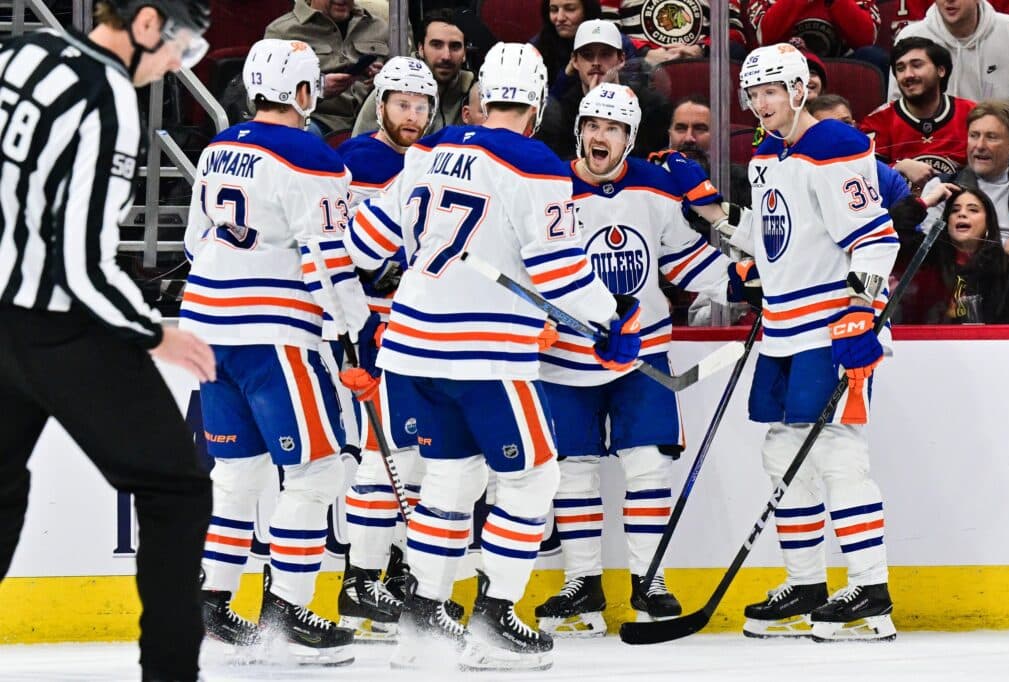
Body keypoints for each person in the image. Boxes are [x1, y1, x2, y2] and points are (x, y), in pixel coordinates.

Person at [344, 42, 641, 671]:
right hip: (485, 357)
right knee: (534, 479)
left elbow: (365, 244)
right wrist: (611, 319)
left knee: (449, 479)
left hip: (410, 351)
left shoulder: (428, 148)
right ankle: (496, 615)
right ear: (536, 105)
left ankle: (425, 614)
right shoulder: (535, 163)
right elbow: (559, 272)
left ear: (483, 97)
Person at [0, 2, 214, 681]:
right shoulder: (107, 94)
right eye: (180, 42)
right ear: (146, 22)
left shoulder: (23, 53)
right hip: (59, 328)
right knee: (177, 491)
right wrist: (154, 332)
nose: (178, 62)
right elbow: (82, 265)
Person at [533, 83, 748, 637]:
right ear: (578, 128)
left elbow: (682, 261)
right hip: (565, 357)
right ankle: (581, 583)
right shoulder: (549, 187)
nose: (598, 136)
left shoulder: (654, 187)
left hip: (643, 354)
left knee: (647, 465)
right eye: (591, 125)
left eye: (612, 128)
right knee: (571, 471)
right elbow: (534, 269)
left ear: (629, 139)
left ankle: (648, 578)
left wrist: (740, 283)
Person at [184, 38, 371, 665]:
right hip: (273, 335)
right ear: (302, 92)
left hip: (206, 327)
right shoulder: (312, 156)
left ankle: (213, 601)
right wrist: (355, 333)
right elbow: (330, 260)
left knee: (237, 473)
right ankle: (289, 609)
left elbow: (194, 241)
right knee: (318, 470)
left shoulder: (218, 147)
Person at [728, 44, 900, 642]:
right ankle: (806, 584)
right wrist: (744, 257)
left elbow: (875, 238)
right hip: (783, 328)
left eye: (772, 90)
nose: (761, 103)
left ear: (800, 89)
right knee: (783, 452)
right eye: (753, 94)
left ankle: (871, 595)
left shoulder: (833, 145)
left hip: (831, 325)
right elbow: (774, 234)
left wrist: (861, 311)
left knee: (837, 452)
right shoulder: (766, 155)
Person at [333, 55, 443, 642]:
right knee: (380, 456)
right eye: (403, 103)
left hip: (419, 328)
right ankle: (361, 575)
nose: (414, 115)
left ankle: (388, 570)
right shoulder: (354, 162)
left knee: (416, 459)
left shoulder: (433, 164)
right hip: (369, 332)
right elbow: (336, 248)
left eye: (423, 105)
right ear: (380, 105)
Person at [888, 184, 1009, 323]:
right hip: (924, 342)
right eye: (954, 210)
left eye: (973, 210)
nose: (962, 213)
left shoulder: (1008, 272)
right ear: (947, 222)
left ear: (988, 223)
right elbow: (890, 230)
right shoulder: (926, 256)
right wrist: (926, 202)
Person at [861, 37, 975, 189]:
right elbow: (863, 175)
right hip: (899, 210)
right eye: (900, 68)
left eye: (916, 65)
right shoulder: (878, 120)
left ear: (941, 70)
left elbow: (992, 168)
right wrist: (898, 167)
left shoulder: (971, 114)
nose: (908, 74)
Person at [918, 100, 1009, 259]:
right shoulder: (942, 188)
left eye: (991, 137)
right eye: (974, 136)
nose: (980, 145)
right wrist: (1000, 250)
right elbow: (931, 252)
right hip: (960, 281)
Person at [265, 0, 390, 135]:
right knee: (302, 133)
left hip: (374, 120)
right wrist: (316, 89)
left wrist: (386, 78)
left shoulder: (379, 27)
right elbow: (260, 101)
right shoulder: (283, 32)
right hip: (317, 121)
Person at [554, 19, 671, 159]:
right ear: (574, 61)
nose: (596, 63)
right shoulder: (563, 109)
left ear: (621, 59)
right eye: (587, 55)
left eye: (605, 54)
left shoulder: (650, 105)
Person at [352, 8, 475, 135]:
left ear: (465, 52)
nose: (446, 56)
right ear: (421, 49)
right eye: (436, 45)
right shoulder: (392, 86)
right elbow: (360, 149)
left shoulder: (472, 94)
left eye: (455, 46)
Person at [889, 0, 1009, 109]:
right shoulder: (910, 37)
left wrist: (999, 122)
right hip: (935, 138)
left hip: (1000, 135)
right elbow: (897, 104)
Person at [807, 94, 911, 209]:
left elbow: (908, 225)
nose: (841, 132)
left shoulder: (887, 176)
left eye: (846, 123)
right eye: (828, 127)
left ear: (855, 125)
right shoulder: (802, 179)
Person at [748, 0, 889, 79]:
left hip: (838, 64)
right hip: (783, 64)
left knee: (874, 57)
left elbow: (866, 39)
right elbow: (765, 38)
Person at [600, 0, 747, 62]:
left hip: (700, 70)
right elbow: (608, 32)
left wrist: (701, 49)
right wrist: (644, 53)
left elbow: (735, 34)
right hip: (640, 74)